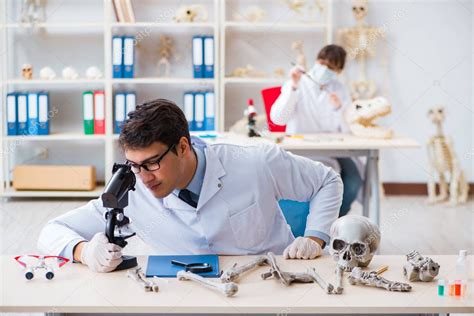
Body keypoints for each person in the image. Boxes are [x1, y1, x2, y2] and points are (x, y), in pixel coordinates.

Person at [38, 99, 343, 272]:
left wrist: (315, 238)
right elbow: (51, 231)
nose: (144, 177)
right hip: (187, 298)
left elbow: (327, 180)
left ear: (182, 147)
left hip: (270, 286)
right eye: (135, 165)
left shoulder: (256, 162)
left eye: (152, 163)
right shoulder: (131, 188)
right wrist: (83, 251)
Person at [270, 44, 362, 217]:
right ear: (316, 61)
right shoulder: (297, 83)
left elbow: (348, 130)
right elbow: (278, 119)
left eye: (331, 67)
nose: (325, 69)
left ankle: (332, 222)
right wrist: (294, 87)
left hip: (331, 151)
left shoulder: (339, 89)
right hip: (298, 149)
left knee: (354, 182)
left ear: (339, 71)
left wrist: (339, 109)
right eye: (322, 63)